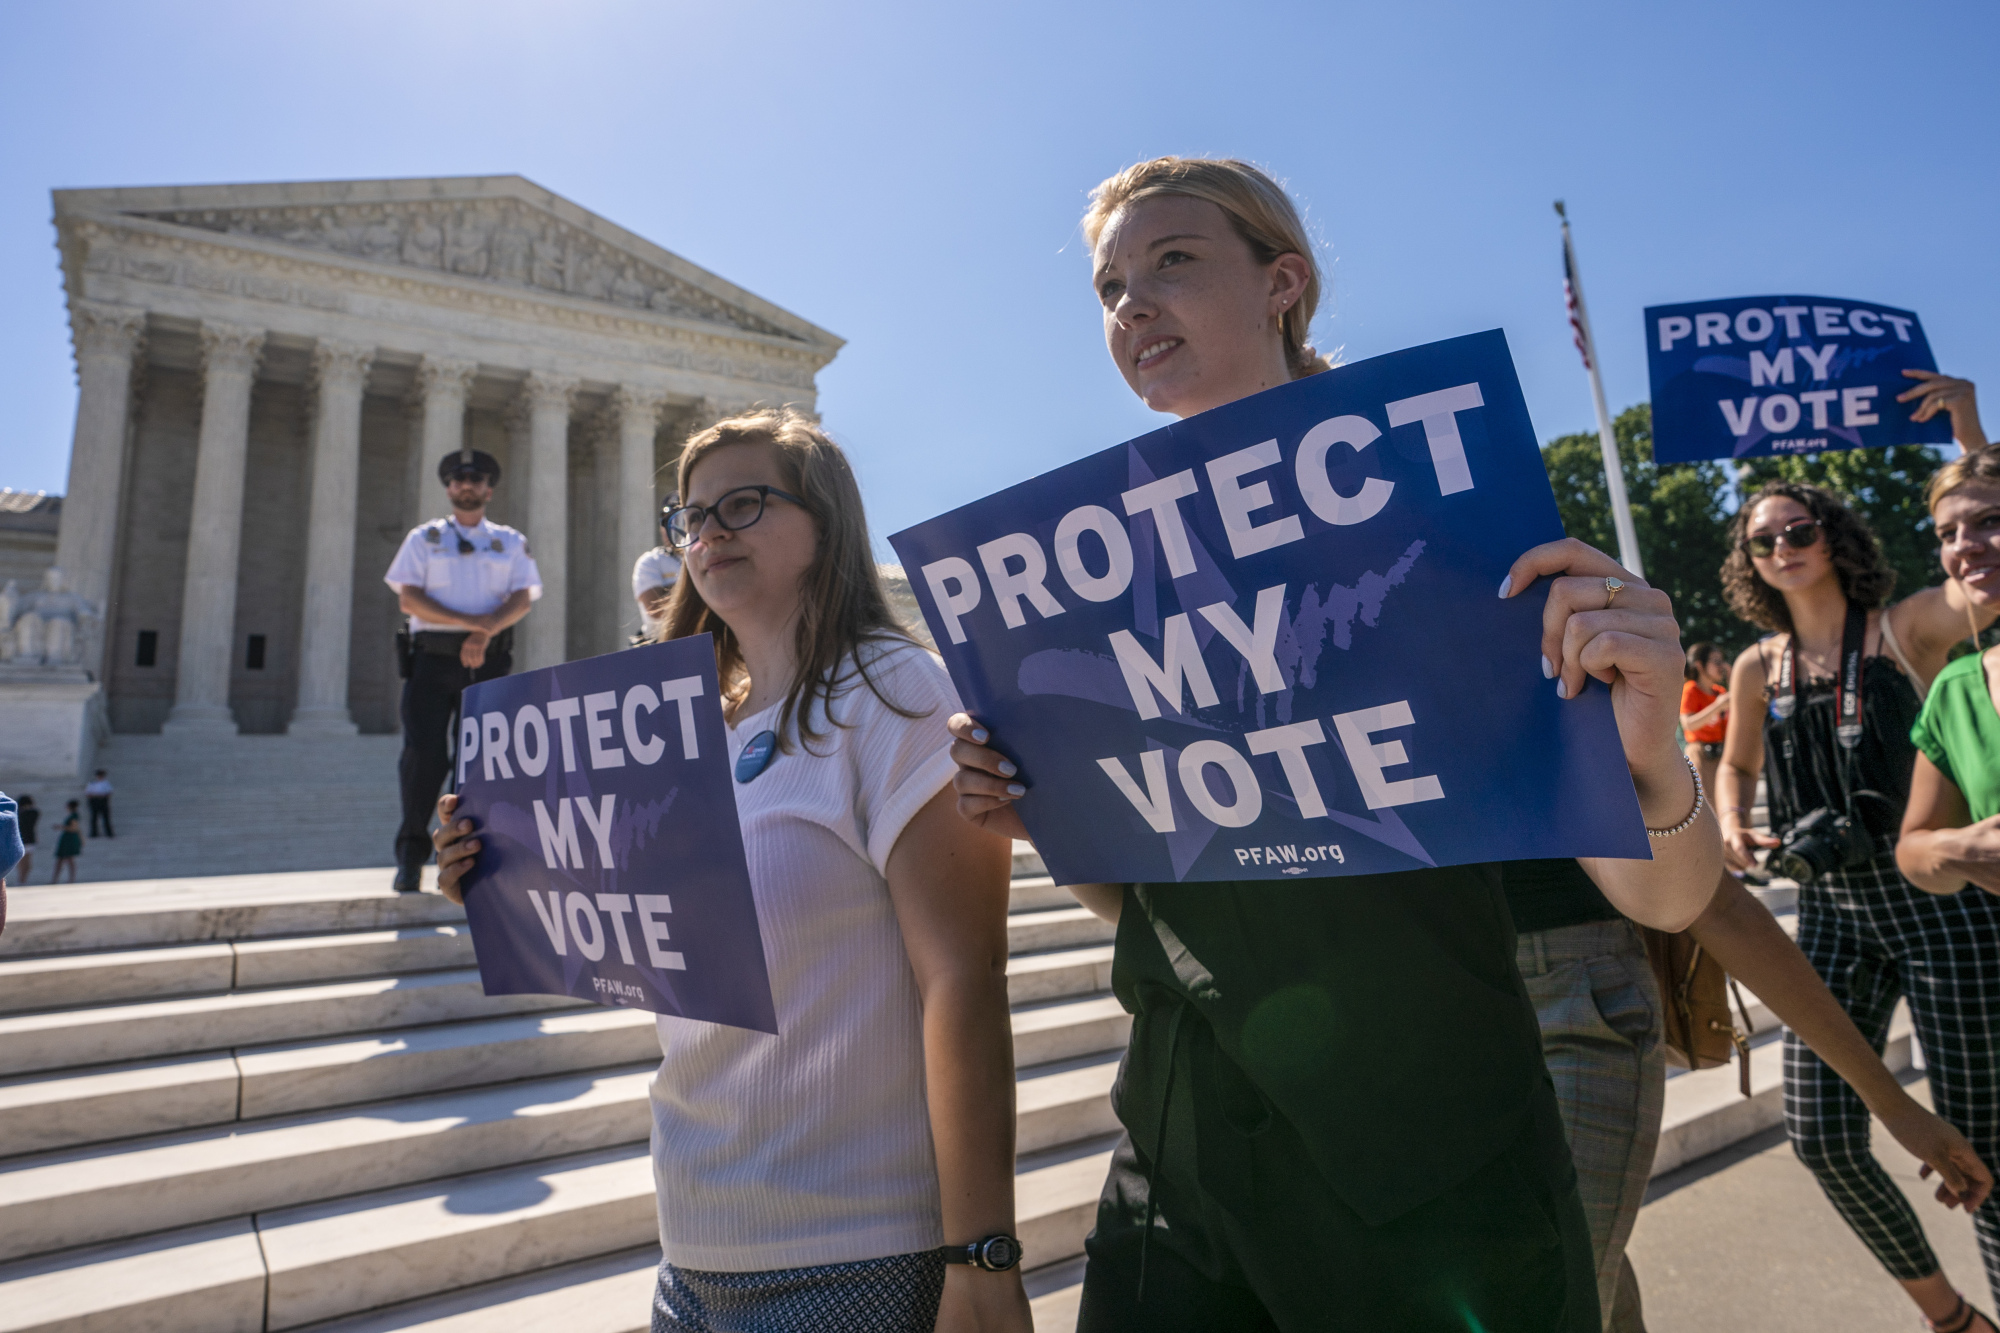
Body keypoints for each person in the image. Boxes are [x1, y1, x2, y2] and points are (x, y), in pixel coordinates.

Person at [947, 156, 1722, 1333]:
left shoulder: (1458, 525)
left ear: (1281, 282)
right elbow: (1155, 907)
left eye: (1171, 262)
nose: (1130, 306)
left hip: (1435, 1173)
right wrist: (1047, 809)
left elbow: (1662, 899)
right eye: (1107, 286)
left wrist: (1652, 744)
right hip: (1178, 1153)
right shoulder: (1092, 588)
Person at [435, 410, 1032, 1333]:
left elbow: (964, 978)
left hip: (855, 1253)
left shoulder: (893, 692)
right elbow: (644, 944)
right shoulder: (696, 730)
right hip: (694, 1250)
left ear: (825, 522)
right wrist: (497, 875)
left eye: (743, 505)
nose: (706, 534)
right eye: (689, 517)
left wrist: (983, 1256)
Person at [1717, 461, 2000, 1333]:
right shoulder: (1756, 667)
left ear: (1832, 536)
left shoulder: (1902, 629)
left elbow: (1982, 578)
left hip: (1940, 905)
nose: (1782, 548)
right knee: (1821, 1136)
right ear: (1749, 561)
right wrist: (1731, 818)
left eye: (1798, 530)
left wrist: (1970, 448)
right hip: (1834, 916)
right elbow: (1735, 763)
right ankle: (1952, 1318)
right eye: (1762, 540)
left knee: (1981, 1138)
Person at [1508, 856, 1992, 1332]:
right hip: (1449, 1008)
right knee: (1575, 1285)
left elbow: (1717, 904)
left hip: (1574, 1000)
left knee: (1550, 1287)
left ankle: (1951, 1317)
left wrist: (1893, 1104)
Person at [383, 448, 540, 893]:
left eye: (475, 480)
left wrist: (484, 633)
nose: (466, 486)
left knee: (482, 765)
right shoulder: (424, 538)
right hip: (431, 659)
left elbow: (522, 597)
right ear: (448, 488)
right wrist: (476, 626)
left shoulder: (508, 541)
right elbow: (409, 600)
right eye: (458, 480)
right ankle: (411, 857)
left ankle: (471, 860)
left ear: (489, 490)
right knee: (422, 761)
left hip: (487, 660)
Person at [1902, 448, 2000, 903]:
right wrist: (1956, 849)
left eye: (1990, 520)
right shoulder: (1959, 688)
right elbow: (1914, 848)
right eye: (1947, 533)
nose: (1963, 545)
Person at [1680, 643, 1730, 807]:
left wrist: (1733, 680)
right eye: (1716, 662)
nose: (1721, 666)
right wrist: (1717, 706)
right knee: (1707, 807)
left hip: (1721, 753)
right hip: (1700, 754)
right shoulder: (1691, 690)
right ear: (1700, 665)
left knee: (1726, 805)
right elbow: (1688, 724)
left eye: (1722, 661)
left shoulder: (1720, 692)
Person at [631, 495, 683, 638]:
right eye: (665, 522)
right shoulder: (651, 561)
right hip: (662, 645)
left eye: (679, 520)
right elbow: (656, 609)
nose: (671, 527)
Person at [51, 800, 82, 883]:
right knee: (61, 859)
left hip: (69, 839)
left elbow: (74, 828)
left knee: (69, 859)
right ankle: (56, 879)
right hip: (66, 839)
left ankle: (71, 879)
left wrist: (61, 827)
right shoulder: (72, 815)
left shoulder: (74, 816)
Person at [11, 794, 37, 886]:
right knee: (25, 862)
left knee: (23, 862)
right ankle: (22, 879)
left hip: (22, 839)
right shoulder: (32, 813)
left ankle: (21, 879)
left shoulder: (21, 814)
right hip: (29, 839)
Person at [83, 769, 113, 838]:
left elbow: (109, 793)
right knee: (94, 818)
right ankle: (94, 833)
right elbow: (87, 793)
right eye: (99, 775)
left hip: (103, 801)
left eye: (101, 775)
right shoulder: (92, 783)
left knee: (106, 817)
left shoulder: (106, 783)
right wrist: (96, 796)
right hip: (94, 801)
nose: (100, 777)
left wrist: (101, 796)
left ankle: (109, 833)